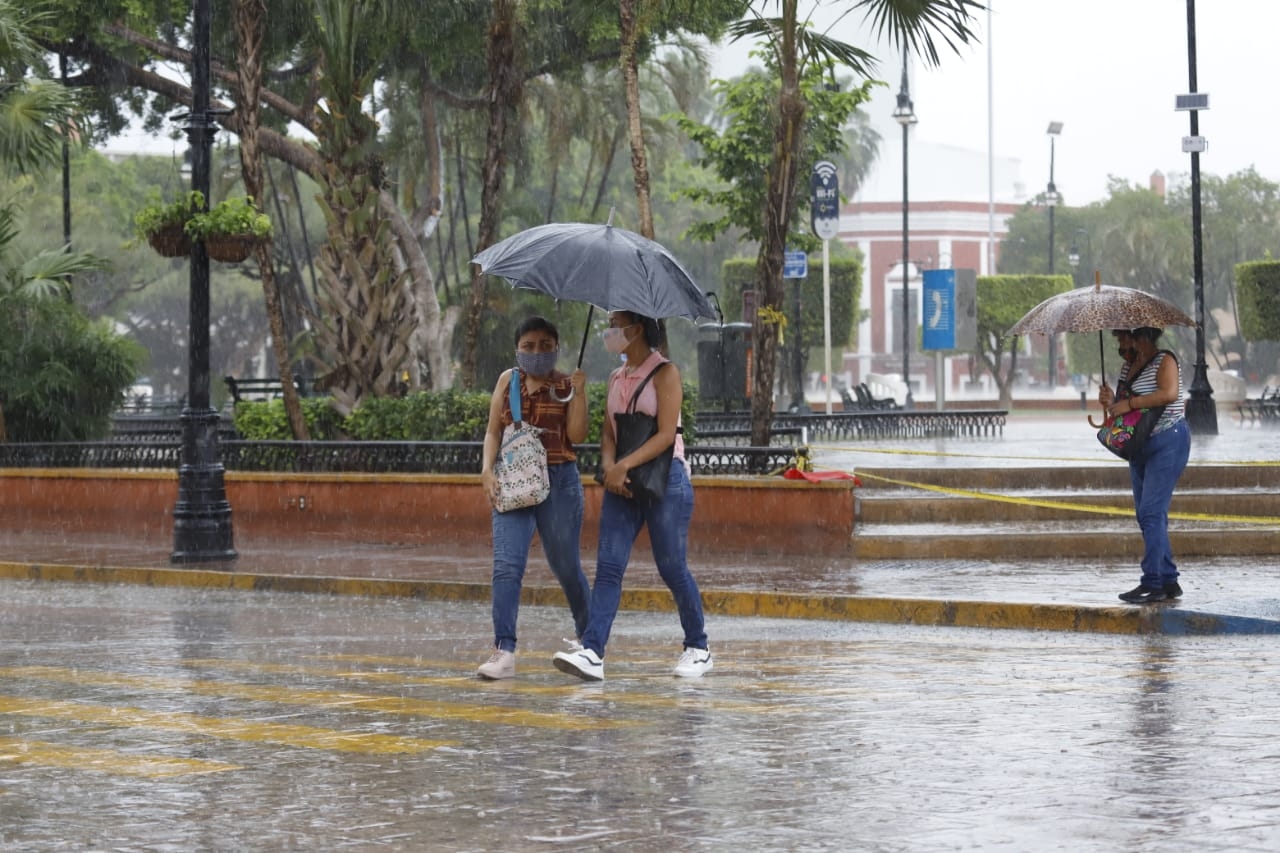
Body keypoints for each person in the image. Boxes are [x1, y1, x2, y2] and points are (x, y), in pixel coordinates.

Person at [553, 311, 712, 681]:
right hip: (621, 483)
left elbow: (666, 434)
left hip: (664, 478)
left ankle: (698, 646)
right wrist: (611, 466)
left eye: (615, 324)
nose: (608, 332)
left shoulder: (666, 373)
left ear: (636, 329)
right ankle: (593, 651)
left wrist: (624, 465)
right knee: (609, 566)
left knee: (672, 566)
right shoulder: (615, 377)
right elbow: (609, 432)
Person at [476, 316, 590, 679]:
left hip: (560, 482)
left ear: (556, 348)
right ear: (517, 349)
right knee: (507, 566)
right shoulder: (508, 381)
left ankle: (591, 642)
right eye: (528, 346)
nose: (536, 352)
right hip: (513, 481)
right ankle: (504, 650)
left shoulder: (566, 384)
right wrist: (486, 469)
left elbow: (578, 435)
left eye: (545, 345)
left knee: (566, 566)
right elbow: (494, 431)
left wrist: (581, 393)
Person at [1098, 326, 1191, 604]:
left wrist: (1129, 403)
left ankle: (1152, 582)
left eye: (1125, 338)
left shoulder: (1165, 361)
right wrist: (1111, 402)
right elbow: (1124, 409)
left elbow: (1169, 393)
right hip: (1139, 444)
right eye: (1118, 339)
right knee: (1148, 514)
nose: (1121, 343)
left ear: (1143, 338)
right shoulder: (1128, 369)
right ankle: (1168, 579)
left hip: (1168, 440)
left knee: (1151, 513)